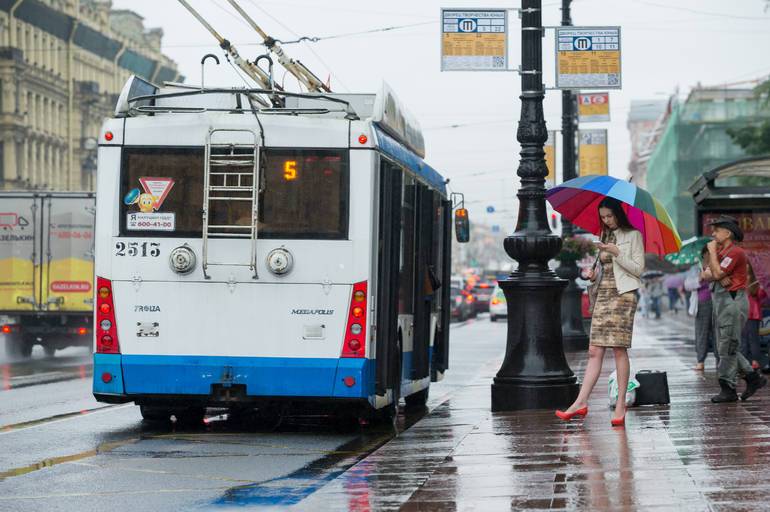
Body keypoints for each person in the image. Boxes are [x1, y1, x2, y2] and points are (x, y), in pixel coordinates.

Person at [556, 197, 645, 427]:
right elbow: (603, 269)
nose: (606, 220)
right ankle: (580, 402)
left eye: (610, 216)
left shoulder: (633, 235)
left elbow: (637, 269)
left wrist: (617, 253)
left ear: (618, 214)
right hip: (603, 295)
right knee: (594, 350)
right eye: (603, 217)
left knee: (618, 350)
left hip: (623, 296)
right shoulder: (604, 236)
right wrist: (593, 275)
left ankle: (620, 405)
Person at [704, 215, 767, 403]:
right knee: (726, 345)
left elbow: (715, 272)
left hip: (732, 301)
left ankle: (728, 388)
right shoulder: (725, 253)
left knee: (728, 347)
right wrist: (716, 273)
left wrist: (712, 255)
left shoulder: (735, 252)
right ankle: (753, 379)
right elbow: (706, 274)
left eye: (716, 230)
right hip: (723, 302)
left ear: (728, 232)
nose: (713, 233)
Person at [695, 246, 717, 371]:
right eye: (707, 253)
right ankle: (700, 360)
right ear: (703, 254)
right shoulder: (697, 268)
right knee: (702, 332)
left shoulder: (717, 265)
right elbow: (687, 284)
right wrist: (698, 279)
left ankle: (719, 360)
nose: (709, 255)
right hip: (703, 302)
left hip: (717, 302)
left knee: (717, 333)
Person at [741, 263, 766, 370]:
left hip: (753, 314)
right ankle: (744, 361)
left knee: (753, 339)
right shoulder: (740, 280)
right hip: (742, 313)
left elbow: (762, 295)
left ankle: (755, 361)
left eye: (747, 265)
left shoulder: (756, 282)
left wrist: (761, 286)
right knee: (743, 339)